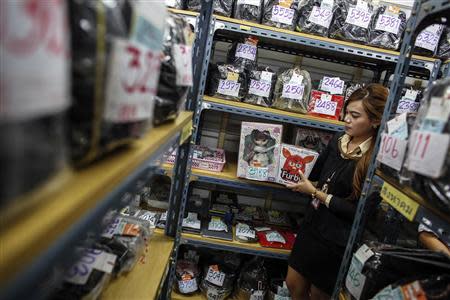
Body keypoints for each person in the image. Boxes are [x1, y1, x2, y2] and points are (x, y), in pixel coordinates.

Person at [285, 84, 388, 300]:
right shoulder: (338, 139)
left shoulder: (376, 161)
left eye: (355, 115)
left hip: (337, 240)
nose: (346, 119)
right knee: (293, 283)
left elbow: (359, 212)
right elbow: (317, 174)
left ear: (375, 121)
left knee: (319, 294)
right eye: (346, 112)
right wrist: (288, 172)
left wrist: (315, 193)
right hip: (313, 226)